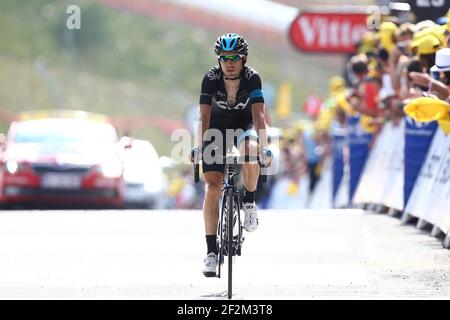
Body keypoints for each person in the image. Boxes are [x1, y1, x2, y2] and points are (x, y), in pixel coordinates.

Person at [190, 33, 272, 277]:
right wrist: (198, 146)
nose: (230, 62)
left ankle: (248, 201)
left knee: (251, 150)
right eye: (224, 57)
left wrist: (265, 146)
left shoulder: (252, 78)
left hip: (243, 126)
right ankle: (211, 252)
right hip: (215, 129)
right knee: (212, 188)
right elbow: (203, 117)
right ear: (219, 59)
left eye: (235, 57)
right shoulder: (210, 79)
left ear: (244, 58)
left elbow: (258, 116)